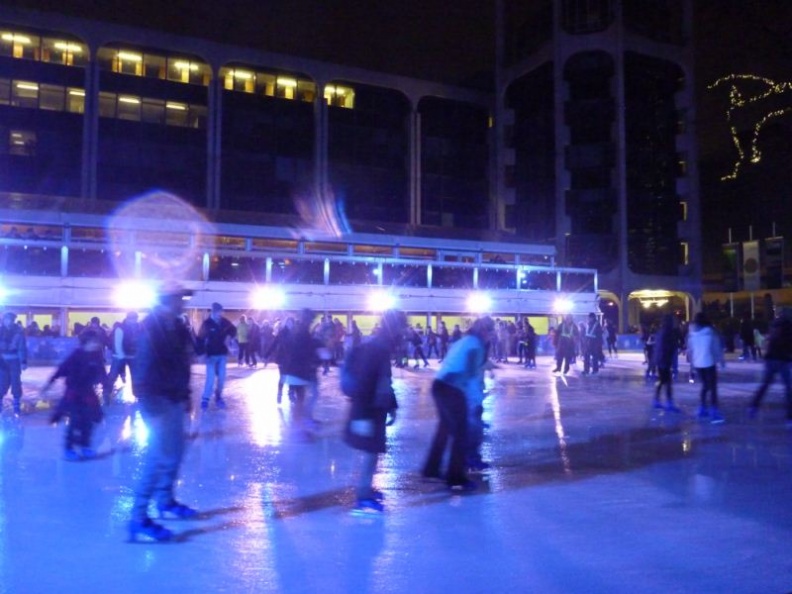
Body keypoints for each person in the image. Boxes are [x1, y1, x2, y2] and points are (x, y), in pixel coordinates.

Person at [128, 286, 197, 542]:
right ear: (168, 301)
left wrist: (186, 396)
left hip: (175, 398)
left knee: (176, 452)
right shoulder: (151, 330)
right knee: (157, 457)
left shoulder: (177, 327)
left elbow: (183, 364)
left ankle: (165, 500)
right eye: (180, 298)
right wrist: (152, 407)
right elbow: (141, 372)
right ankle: (138, 518)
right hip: (157, 401)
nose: (184, 302)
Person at [343, 310, 406, 514]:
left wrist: (392, 406)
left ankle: (366, 489)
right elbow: (365, 383)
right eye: (401, 328)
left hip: (374, 409)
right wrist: (361, 415)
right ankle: (362, 497)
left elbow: (385, 381)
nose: (403, 333)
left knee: (372, 452)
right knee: (370, 453)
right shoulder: (376, 350)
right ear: (394, 328)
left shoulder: (380, 347)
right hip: (367, 410)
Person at [422, 315, 495, 491]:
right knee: (461, 434)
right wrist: (475, 401)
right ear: (485, 331)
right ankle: (455, 478)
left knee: (444, 429)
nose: (491, 336)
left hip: (439, 385)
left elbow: (459, 365)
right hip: (452, 389)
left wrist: (486, 366)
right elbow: (469, 374)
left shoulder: (464, 341)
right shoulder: (475, 345)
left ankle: (431, 470)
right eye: (491, 332)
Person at [42, 329, 107, 460]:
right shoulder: (76, 355)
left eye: (97, 342)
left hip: (88, 393)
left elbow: (101, 372)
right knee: (75, 422)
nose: (97, 344)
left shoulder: (97, 356)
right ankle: (69, 448)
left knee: (88, 421)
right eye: (94, 342)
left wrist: (107, 384)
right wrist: (49, 383)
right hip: (74, 393)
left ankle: (85, 446)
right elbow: (61, 369)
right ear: (86, 342)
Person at [748, 312, 792, 422]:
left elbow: (770, 343)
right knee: (788, 387)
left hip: (772, 359)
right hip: (783, 359)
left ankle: (753, 406)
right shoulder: (788, 329)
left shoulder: (774, 327)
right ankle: (789, 416)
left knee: (765, 384)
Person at [687, 312, 725, 423]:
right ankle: (714, 411)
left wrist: (692, 365)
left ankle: (702, 408)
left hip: (698, 364)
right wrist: (721, 361)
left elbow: (691, 350)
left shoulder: (692, 333)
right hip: (709, 363)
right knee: (712, 387)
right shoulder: (710, 332)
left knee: (704, 386)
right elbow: (716, 348)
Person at [197, 302, 236, 410]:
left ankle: (218, 397)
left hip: (222, 355)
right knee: (210, 378)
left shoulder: (224, 322)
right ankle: (205, 399)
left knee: (222, 378)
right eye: (218, 312)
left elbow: (233, 329)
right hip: (211, 356)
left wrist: (229, 337)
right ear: (213, 312)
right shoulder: (207, 323)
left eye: (221, 312)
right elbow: (200, 339)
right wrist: (200, 354)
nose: (220, 314)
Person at [105, 311, 139, 402]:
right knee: (113, 375)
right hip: (119, 355)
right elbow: (118, 343)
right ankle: (107, 392)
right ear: (127, 319)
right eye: (132, 319)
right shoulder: (120, 328)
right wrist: (121, 356)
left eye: (135, 319)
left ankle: (138, 394)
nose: (134, 321)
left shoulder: (138, 327)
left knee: (136, 376)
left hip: (132, 355)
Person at [652, 314, 681, 412]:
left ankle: (656, 400)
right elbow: (668, 348)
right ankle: (668, 402)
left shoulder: (661, 332)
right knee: (667, 382)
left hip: (661, 360)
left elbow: (658, 348)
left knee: (662, 381)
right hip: (664, 360)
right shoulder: (668, 333)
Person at [0, 311, 27, 414]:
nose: (8, 322)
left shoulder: (18, 332)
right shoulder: (0, 331)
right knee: (2, 383)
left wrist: (23, 361)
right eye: (6, 319)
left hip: (14, 361)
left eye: (10, 320)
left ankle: (16, 403)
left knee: (16, 382)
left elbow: (22, 348)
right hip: (2, 361)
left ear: (13, 320)